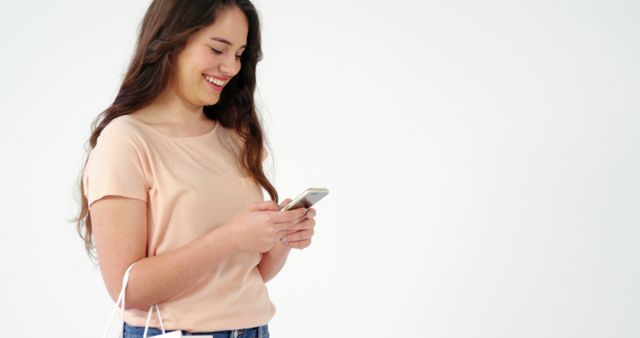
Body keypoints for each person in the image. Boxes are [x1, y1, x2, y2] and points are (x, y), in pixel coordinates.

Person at [73, 1, 317, 337]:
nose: (231, 67)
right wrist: (231, 239)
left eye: (239, 54)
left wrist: (281, 237)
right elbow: (126, 290)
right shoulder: (126, 141)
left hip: (254, 330)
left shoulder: (235, 137)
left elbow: (249, 273)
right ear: (171, 41)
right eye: (218, 48)